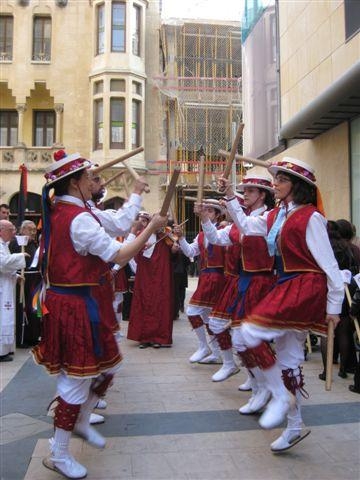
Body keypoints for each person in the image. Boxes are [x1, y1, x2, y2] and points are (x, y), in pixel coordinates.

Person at [32, 150, 167, 479]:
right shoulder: (76, 217)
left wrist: (134, 195)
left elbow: (118, 223)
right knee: (76, 382)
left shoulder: (74, 210)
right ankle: (59, 453)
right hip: (75, 306)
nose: (97, 180)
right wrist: (152, 229)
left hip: (81, 302)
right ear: (75, 182)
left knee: (107, 369)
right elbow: (119, 252)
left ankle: (78, 420)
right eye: (90, 176)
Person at [219, 157, 344, 452]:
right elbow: (248, 227)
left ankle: (278, 395)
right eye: (275, 179)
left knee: (247, 332)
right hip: (285, 284)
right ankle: (294, 424)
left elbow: (330, 265)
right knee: (287, 360)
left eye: (281, 180)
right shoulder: (277, 215)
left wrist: (334, 307)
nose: (274, 183)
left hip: (305, 285)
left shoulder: (311, 217)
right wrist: (229, 197)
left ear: (297, 186)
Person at [200, 176, 276, 393]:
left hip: (262, 282)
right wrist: (206, 219)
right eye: (246, 191)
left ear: (262, 195)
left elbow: (247, 226)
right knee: (231, 332)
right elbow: (216, 238)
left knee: (251, 338)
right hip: (242, 281)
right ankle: (250, 377)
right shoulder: (243, 220)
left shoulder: (269, 217)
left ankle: (263, 385)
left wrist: (231, 195)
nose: (247, 194)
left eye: (251, 191)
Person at [173, 199, 225, 364]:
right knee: (207, 316)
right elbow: (190, 251)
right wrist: (181, 238)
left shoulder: (224, 230)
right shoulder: (201, 234)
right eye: (206, 210)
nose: (207, 213)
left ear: (217, 215)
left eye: (210, 211)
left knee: (193, 311)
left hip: (218, 277)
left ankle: (204, 346)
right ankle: (216, 353)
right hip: (205, 277)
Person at [318, 221, 359, 380]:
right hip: (347, 289)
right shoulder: (348, 247)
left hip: (329, 289)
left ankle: (326, 370)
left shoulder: (325, 247)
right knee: (343, 330)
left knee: (326, 331)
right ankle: (343, 368)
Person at [127, 217, 176, 348]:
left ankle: (158, 337)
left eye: (162, 223)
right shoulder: (143, 234)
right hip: (145, 275)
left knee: (160, 303)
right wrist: (143, 246)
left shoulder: (166, 235)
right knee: (144, 301)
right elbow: (132, 250)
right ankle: (144, 337)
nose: (160, 225)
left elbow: (175, 252)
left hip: (161, 275)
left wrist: (175, 247)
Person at [9, 220, 41, 347]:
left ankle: (33, 335)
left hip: (35, 281)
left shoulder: (34, 244)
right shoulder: (15, 243)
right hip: (21, 281)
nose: (33, 232)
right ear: (22, 230)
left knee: (34, 308)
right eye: (30, 229)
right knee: (22, 308)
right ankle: (22, 337)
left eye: (34, 230)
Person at [0, 220, 27, 361]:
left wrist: (16, 276)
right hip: (1, 289)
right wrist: (21, 257)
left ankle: (6, 348)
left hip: (6, 286)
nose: (13, 232)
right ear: (1, 230)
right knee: (2, 318)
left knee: (7, 317)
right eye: (11, 229)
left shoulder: (5, 245)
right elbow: (3, 263)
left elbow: (6, 267)